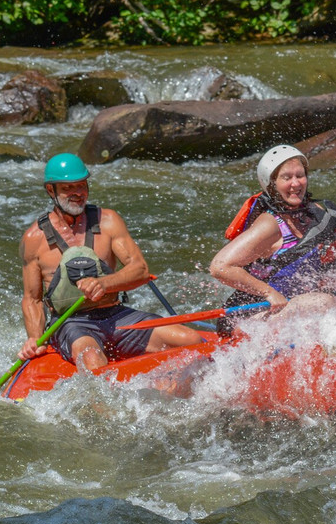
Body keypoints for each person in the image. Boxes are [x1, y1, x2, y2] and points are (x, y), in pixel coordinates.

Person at [18, 153, 201, 371]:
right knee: (92, 359)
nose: (78, 193)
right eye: (68, 188)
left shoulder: (108, 221)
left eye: (82, 185)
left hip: (116, 315)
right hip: (72, 323)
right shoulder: (34, 238)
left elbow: (140, 270)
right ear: (51, 190)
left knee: (190, 340)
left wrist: (104, 284)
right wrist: (35, 339)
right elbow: (32, 299)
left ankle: (168, 388)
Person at [210, 144, 336, 334]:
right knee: (323, 301)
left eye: (300, 175)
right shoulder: (270, 224)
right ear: (271, 184)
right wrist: (269, 293)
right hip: (248, 317)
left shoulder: (314, 212)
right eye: (287, 178)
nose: (296, 184)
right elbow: (220, 267)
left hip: (293, 308)